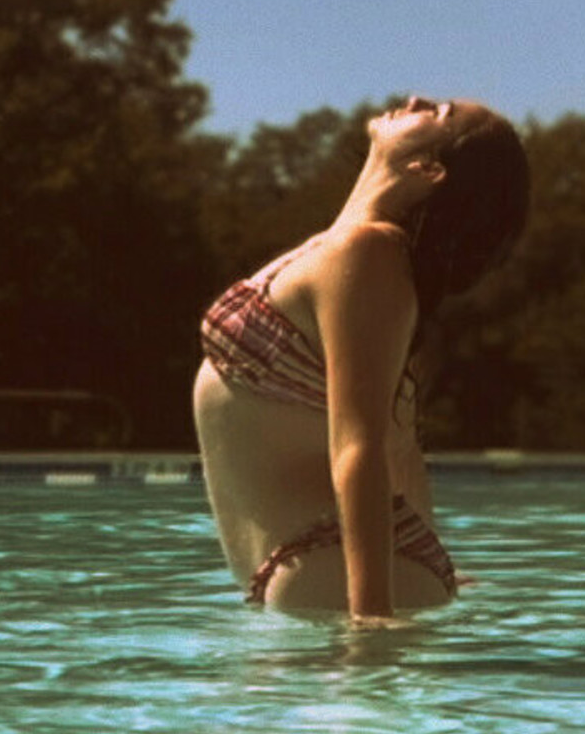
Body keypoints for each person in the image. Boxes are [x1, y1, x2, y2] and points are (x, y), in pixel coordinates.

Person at [193, 97, 530, 625]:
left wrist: (372, 620)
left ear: (428, 168)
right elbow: (402, 438)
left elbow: (361, 446)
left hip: (328, 567)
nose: (416, 100)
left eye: (439, 112)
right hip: (322, 563)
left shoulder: (369, 254)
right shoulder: (347, 250)